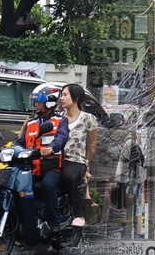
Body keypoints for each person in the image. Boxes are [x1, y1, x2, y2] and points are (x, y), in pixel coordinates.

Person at [22, 84, 68, 227]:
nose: (35, 104)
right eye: (34, 101)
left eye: (39, 101)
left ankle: (54, 224)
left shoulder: (60, 121)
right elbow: (20, 141)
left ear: (49, 102)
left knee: (48, 185)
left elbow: (61, 137)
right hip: (32, 168)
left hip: (51, 168)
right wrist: (10, 149)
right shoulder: (31, 122)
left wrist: (51, 148)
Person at [57, 83, 99, 227]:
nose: (61, 98)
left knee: (68, 177)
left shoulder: (88, 118)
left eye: (65, 95)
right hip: (55, 159)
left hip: (76, 161)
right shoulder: (56, 117)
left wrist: (87, 166)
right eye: (61, 95)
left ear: (76, 98)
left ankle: (79, 214)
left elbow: (92, 145)